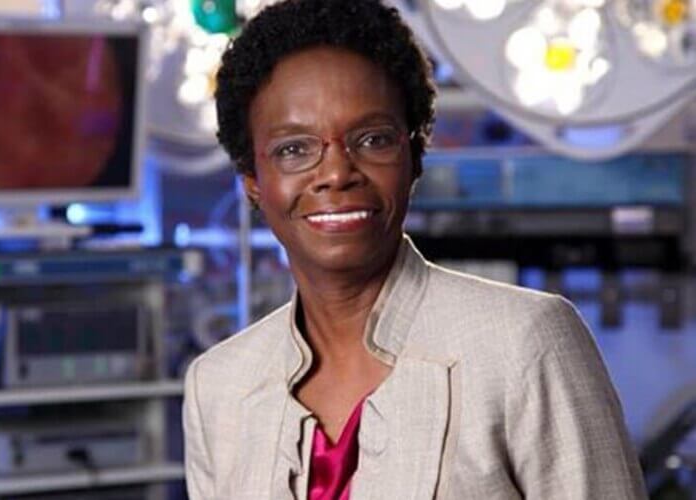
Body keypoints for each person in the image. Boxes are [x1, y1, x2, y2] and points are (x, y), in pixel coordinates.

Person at [182, 0, 647, 498]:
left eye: (373, 139)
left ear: (414, 157)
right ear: (253, 180)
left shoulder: (524, 343)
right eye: (294, 148)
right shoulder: (218, 386)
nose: (337, 173)